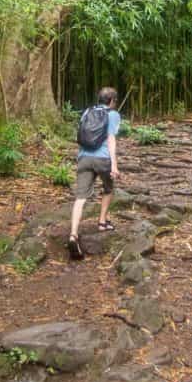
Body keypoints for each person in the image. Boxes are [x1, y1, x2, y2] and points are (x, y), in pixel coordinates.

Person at [68, 86, 121, 260]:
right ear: (112, 101)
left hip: (84, 157)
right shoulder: (113, 115)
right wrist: (114, 165)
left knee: (80, 197)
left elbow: (81, 135)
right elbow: (111, 139)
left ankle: (73, 235)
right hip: (103, 159)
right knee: (108, 188)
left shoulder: (87, 112)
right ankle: (102, 222)